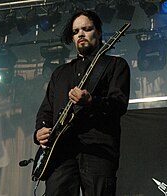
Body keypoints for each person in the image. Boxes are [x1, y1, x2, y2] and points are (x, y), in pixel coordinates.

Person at [33, 9, 130, 196]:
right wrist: (40, 131)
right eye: (76, 31)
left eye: (87, 29)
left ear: (99, 32)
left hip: (98, 150)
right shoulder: (60, 73)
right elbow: (46, 109)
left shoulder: (115, 65)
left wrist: (91, 101)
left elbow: (119, 105)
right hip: (61, 151)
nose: (81, 35)